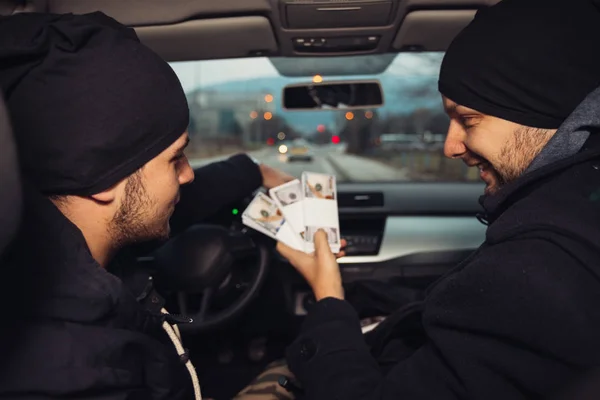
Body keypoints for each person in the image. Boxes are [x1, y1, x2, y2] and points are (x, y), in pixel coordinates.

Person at [275, 0, 600, 399]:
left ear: (543, 106)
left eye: (468, 119)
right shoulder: (573, 218)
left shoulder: (537, 271)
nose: (450, 145)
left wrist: (327, 297)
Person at [0, 12, 295, 400]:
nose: (188, 175)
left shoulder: (49, 247)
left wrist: (253, 171)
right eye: (175, 159)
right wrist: (328, 301)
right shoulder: (80, 372)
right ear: (104, 180)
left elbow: (171, 200)